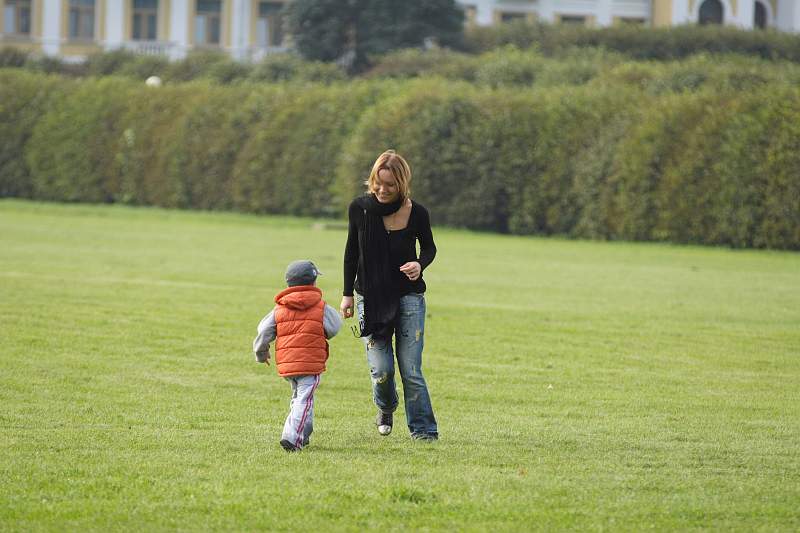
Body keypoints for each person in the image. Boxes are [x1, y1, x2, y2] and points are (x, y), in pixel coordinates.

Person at [340, 149, 439, 441]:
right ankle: (386, 406)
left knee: (410, 369)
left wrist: (419, 264)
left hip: (409, 297)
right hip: (369, 298)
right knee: (382, 370)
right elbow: (351, 253)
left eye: (390, 185)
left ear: (402, 184)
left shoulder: (417, 212)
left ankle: (424, 431)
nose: (382, 190)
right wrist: (347, 295)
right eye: (378, 183)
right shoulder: (360, 209)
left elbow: (430, 248)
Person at [253, 260, 342, 452]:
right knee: (304, 400)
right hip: (310, 364)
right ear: (314, 282)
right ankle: (291, 436)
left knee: (299, 398)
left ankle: (304, 433)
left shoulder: (279, 309)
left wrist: (261, 354)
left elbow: (263, 331)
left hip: (287, 365)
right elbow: (334, 327)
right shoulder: (321, 307)